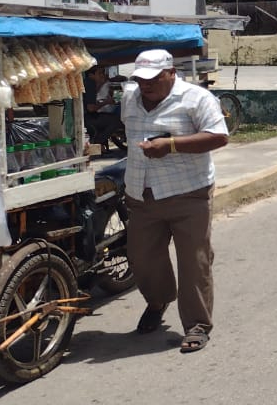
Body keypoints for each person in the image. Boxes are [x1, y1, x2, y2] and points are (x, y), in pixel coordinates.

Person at [120, 49, 229, 354]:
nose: (146, 85)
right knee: (142, 259)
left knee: (194, 262)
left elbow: (220, 136)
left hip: (188, 193)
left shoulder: (196, 98)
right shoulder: (129, 98)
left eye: (153, 79)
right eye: (141, 80)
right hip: (141, 193)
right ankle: (159, 300)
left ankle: (197, 324)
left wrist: (170, 145)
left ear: (171, 73)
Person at [83, 67, 123, 153]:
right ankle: (96, 142)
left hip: (88, 117)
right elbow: (91, 108)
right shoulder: (89, 84)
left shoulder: (89, 82)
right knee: (116, 120)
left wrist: (101, 83)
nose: (103, 75)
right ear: (91, 75)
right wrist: (106, 102)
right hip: (88, 119)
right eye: (100, 73)